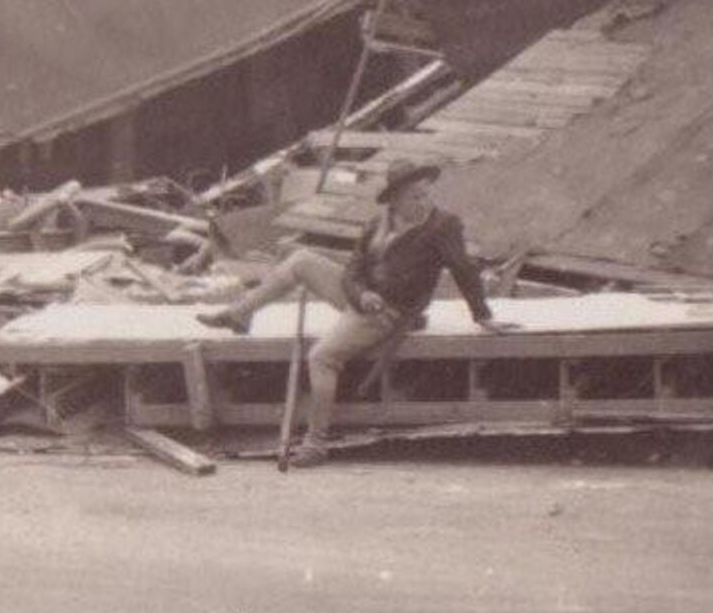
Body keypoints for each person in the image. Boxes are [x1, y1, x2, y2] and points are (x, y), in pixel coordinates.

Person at [197, 159, 513, 467]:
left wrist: (481, 314)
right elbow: (351, 272)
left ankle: (316, 444)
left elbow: (463, 269)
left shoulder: (443, 225)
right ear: (395, 200)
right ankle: (240, 314)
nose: (425, 202)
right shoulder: (376, 224)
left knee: (322, 357)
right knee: (301, 259)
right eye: (415, 197)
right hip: (364, 300)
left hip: (391, 312)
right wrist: (362, 295)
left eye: (427, 193)